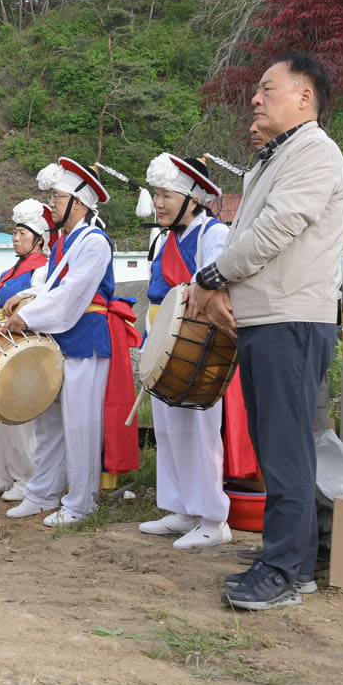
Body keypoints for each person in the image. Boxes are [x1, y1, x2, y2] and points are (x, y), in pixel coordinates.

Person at [190, 54, 343, 612]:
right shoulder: (279, 155)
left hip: (291, 319)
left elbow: (275, 230)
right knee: (281, 447)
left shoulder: (314, 152)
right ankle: (297, 558)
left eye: (267, 88)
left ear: (304, 97)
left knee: (284, 450)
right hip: (270, 319)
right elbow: (248, 234)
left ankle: (286, 569)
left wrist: (213, 276)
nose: (255, 98)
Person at [4, 157, 138, 529]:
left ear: (78, 203)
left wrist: (28, 316)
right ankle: (43, 492)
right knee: (50, 422)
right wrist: (25, 296)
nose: (51, 205)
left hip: (86, 337)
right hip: (62, 337)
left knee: (80, 424)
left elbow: (73, 293)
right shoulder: (67, 240)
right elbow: (52, 285)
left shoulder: (94, 241)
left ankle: (81, 502)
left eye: (57, 198)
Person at [135, 153, 237, 552]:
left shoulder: (212, 232)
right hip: (164, 343)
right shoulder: (166, 238)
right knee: (169, 430)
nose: (158, 203)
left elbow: (212, 280)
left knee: (199, 432)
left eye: (166, 195)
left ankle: (213, 519)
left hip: (197, 347)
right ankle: (182, 509)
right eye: (156, 194)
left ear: (193, 198)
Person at [0, 199, 51, 502]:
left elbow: (45, 295)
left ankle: (25, 477)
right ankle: (2, 473)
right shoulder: (10, 270)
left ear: (39, 240)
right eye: (15, 233)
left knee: (19, 412)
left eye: (23, 234)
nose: (16, 239)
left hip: (23, 343)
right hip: (1, 339)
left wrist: (23, 294)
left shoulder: (43, 269)